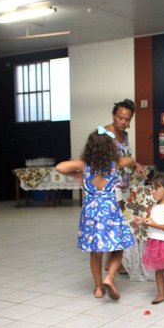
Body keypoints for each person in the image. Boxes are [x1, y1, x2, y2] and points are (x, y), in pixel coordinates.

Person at [55, 128, 137, 300]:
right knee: (118, 246)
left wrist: (76, 172)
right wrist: (132, 162)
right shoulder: (115, 163)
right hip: (110, 209)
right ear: (110, 147)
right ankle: (110, 277)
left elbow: (59, 167)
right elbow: (130, 159)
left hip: (91, 211)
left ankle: (98, 288)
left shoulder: (84, 165)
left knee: (95, 251)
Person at [103, 99, 145, 274]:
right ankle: (114, 263)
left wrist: (136, 164)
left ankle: (114, 261)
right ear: (114, 115)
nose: (123, 122)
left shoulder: (125, 135)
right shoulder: (105, 134)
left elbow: (126, 157)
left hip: (124, 183)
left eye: (127, 119)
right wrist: (130, 161)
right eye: (120, 118)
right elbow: (110, 161)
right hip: (111, 184)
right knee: (117, 222)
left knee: (122, 221)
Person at [134, 173, 164, 306]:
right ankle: (161, 294)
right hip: (154, 241)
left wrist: (153, 224)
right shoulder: (155, 205)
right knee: (158, 269)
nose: (153, 191)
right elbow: (151, 221)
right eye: (152, 188)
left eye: (156, 188)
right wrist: (142, 220)